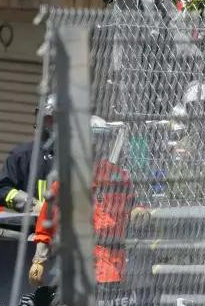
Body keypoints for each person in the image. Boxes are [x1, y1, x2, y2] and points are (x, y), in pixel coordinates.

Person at [28, 118, 152, 287]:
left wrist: (139, 211)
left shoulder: (118, 178)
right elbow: (46, 224)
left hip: (111, 263)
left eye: (98, 140)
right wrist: (39, 260)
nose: (93, 145)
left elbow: (132, 204)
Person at [0, 94, 56, 212]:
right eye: (48, 119)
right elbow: (2, 191)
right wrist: (32, 205)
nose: (51, 125)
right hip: (32, 227)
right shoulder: (23, 155)